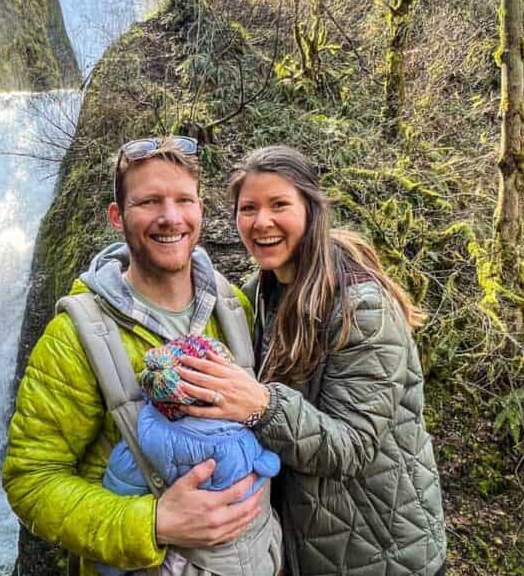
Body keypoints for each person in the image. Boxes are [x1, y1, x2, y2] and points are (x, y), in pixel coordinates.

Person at [1, 137, 275, 576]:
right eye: (149, 202)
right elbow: (30, 480)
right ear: (117, 217)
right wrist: (151, 523)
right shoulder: (73, 336)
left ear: (200, 211)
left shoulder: (234, 308)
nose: (170, 217)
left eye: (183, 200)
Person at [173, 146, 447, 576]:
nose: (261, 222)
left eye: (279, 205)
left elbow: (351, 447)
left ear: (311, 210)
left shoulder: (361, 309)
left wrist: (263, 405)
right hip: (306, 546)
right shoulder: (259, 294)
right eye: (248, 208)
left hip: (379, 552)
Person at [98, 336, 282, 576]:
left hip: (178, 564)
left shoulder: (141, 437)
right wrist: (156, 525)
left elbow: (120, 482)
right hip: (249, 555)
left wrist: (114, 560)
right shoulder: (237, 436)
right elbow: (269, 463)